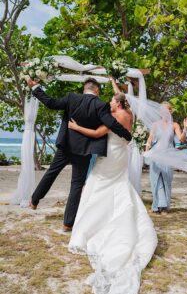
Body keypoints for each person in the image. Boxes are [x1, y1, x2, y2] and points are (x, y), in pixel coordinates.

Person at [68, 85, 157, 294]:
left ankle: (91, 228)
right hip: (121, 156)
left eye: (111, 101)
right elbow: (120, 101)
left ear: (117, 103)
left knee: (97, 186)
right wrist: (115, 83)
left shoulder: (112, 116)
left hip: (110, 157)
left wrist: (76, 128)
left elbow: (98, 132)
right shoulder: (129, 114)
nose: (109, 103)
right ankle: (114, 216)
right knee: (118, 186)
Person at [26, 77, 132, 231]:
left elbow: (51, 103)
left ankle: (34, 200)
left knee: (52, 172)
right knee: (76, 186)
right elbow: (111, 124)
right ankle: (68, 224)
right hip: (84, 150)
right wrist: (128, 136)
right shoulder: (101, 105)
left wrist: (36, 88)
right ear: (97, 90)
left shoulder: (71, 98)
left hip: (66, 145)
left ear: (84, 89)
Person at [145, 102, 187, 215]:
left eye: (167, 110)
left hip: (168, 156)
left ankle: (165, 207)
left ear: (170, 111)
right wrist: (147, 148)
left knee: (166, 181)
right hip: (156, 155)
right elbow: (150, 138)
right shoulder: (155, 124)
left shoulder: (175, 125)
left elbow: (181, 139)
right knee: (155, 181)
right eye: (162, 110)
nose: (164, 112)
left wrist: (185, 128)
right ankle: (156, 206)